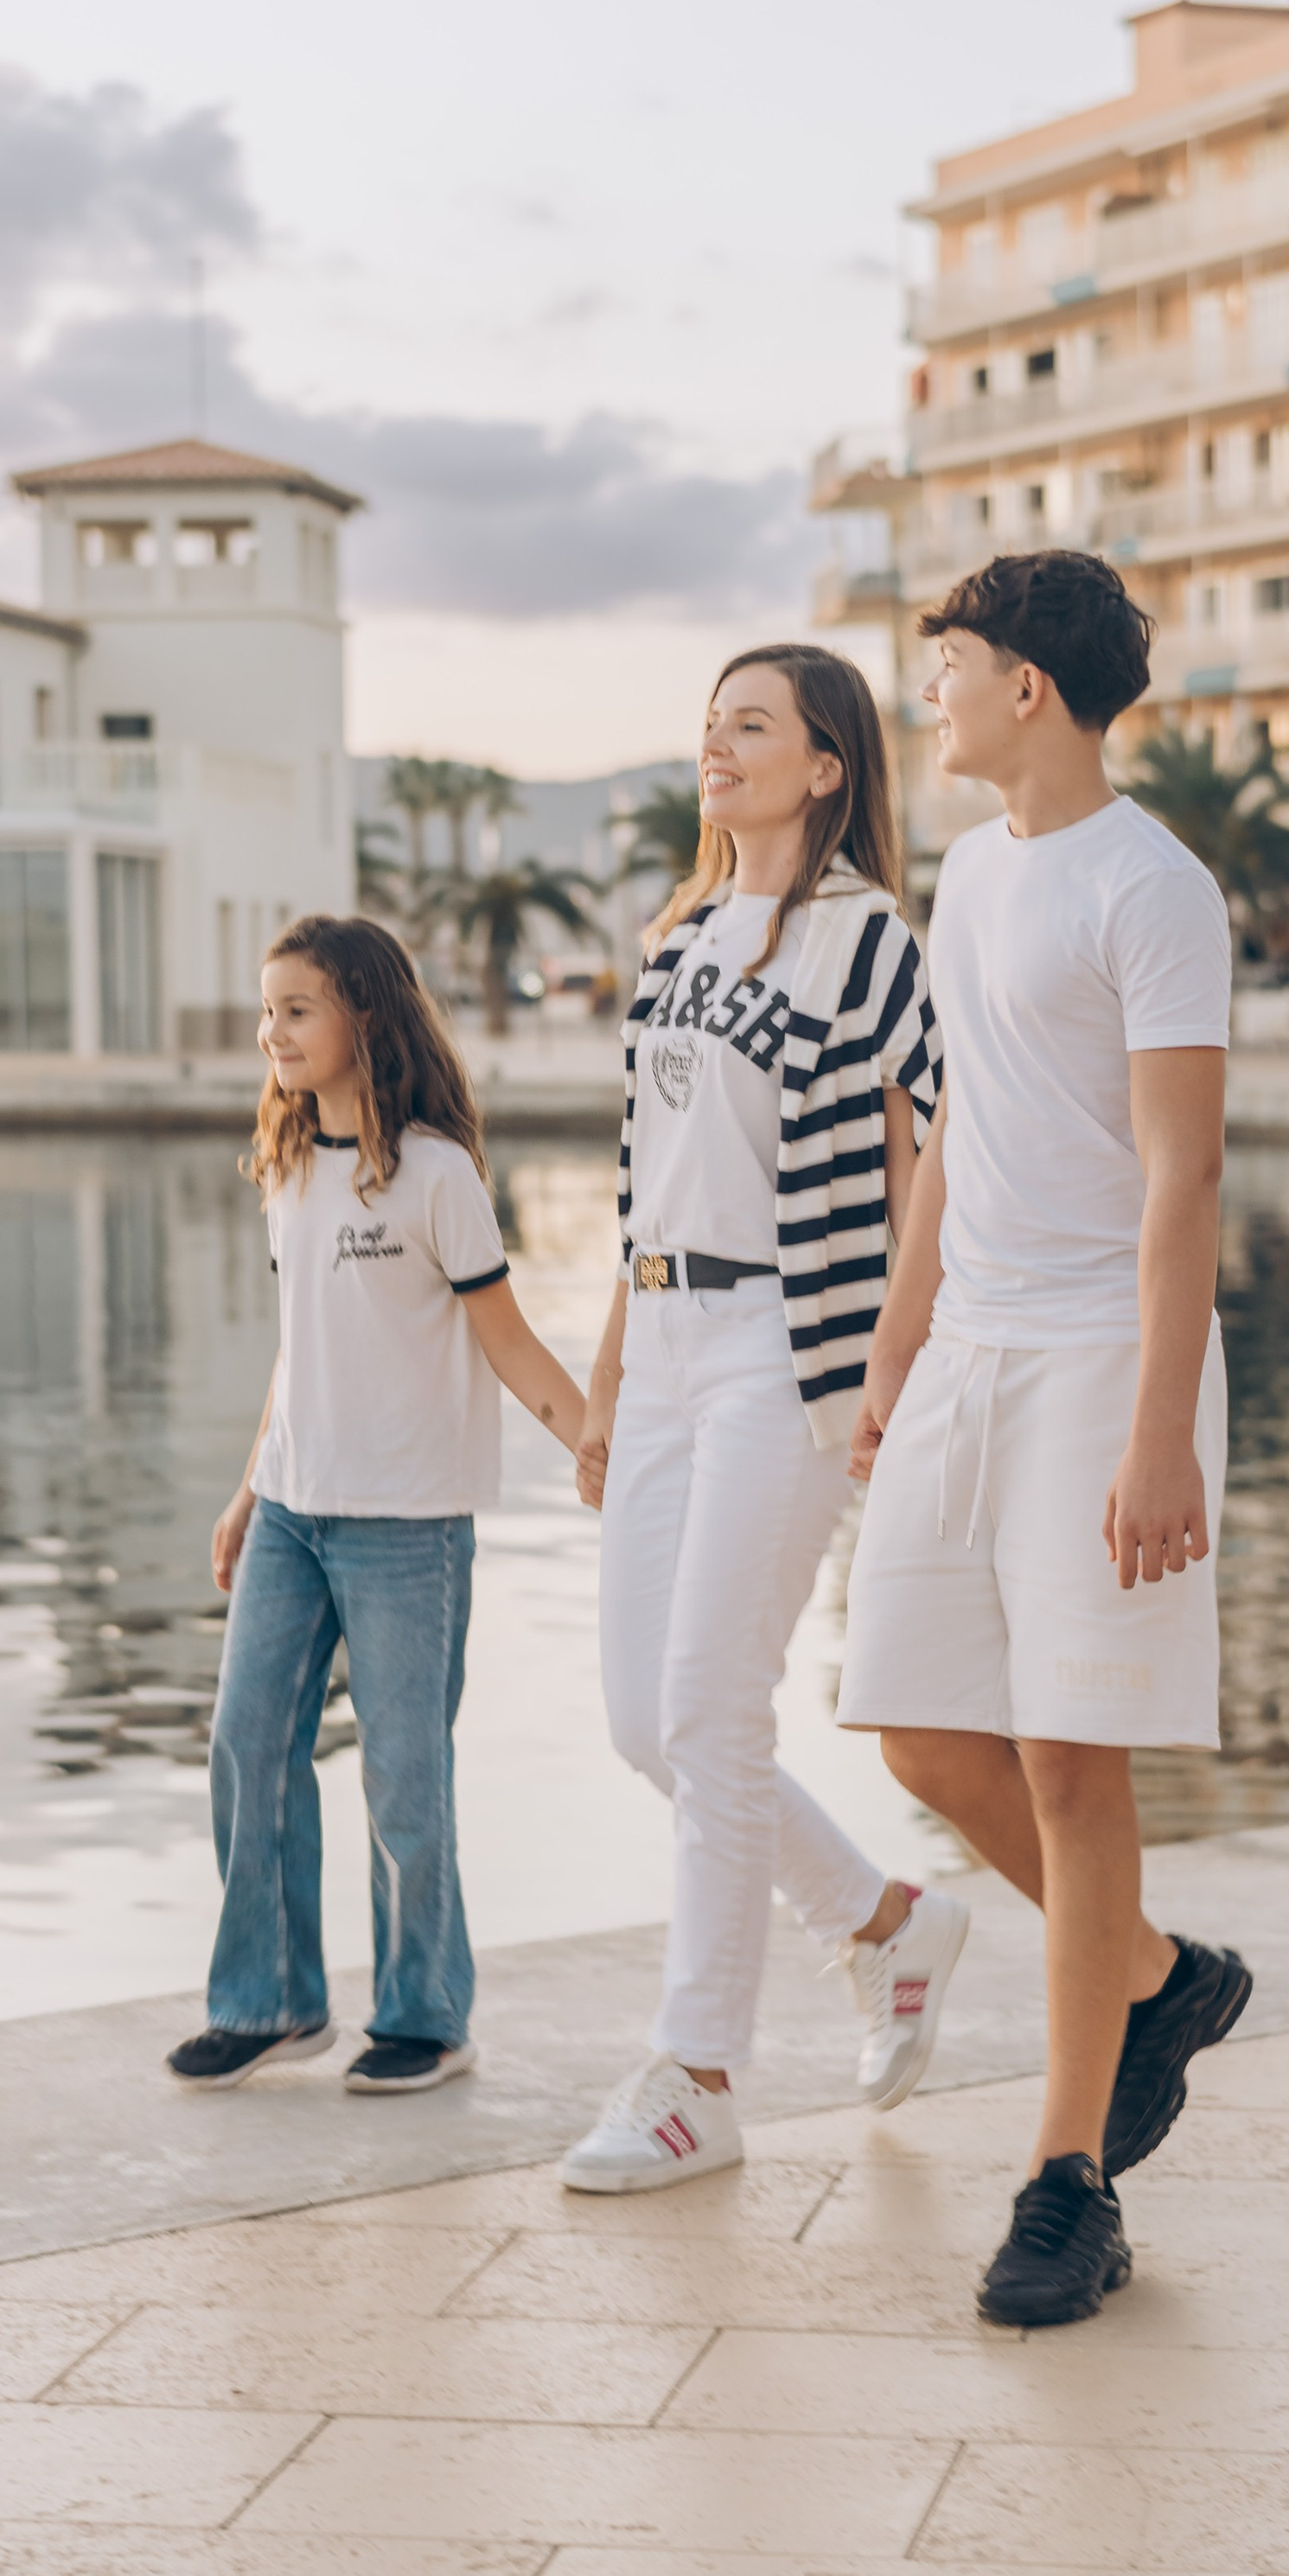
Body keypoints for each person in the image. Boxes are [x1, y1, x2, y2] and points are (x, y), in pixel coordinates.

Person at [837, 551, 1250, 2329]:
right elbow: (955, 1130)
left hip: (1102, 1358)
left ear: (1028, 688)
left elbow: (1183, 1176)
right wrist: (892, 1338)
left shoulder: (1154, 890)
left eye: (947, 664)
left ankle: (1064, 2176)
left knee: (1077, 1770)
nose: (924, 691)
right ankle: (1149, 1976)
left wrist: (1157, 1433)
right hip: (968, 1354)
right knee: (923, 1737)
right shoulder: (967, 870)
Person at [562, 644, 966, 2195]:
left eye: (753, 726)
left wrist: (891, 1361)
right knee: (639, 1720)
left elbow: (934, 1157)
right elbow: (645, 1186)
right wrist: (604, 1376)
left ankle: (699, 2076)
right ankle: (883, 1923)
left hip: (787, 1349)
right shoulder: (674, 944)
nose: (717, 748)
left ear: (825, 768)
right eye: (709, 724)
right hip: (661, 1339)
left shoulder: (874, 951)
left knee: (713, 1704)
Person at [168, 915, 586, 2098]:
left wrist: (596, 1442)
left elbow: (507, 1343)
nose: (273, 1033)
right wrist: (250, 1488)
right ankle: (270, 2003)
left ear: (364, 1014)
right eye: (267, 1012)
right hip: (293, 1514)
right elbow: (300, 1353)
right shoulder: (290, 1166)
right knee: (248, 1748)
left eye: (296, 1010)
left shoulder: (439, 1177)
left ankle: (424, 2013)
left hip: (409, 1525)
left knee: (405, 1775)